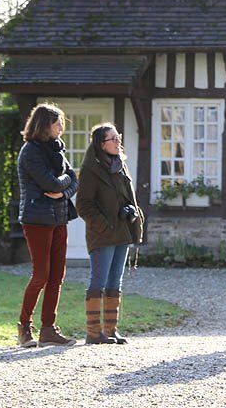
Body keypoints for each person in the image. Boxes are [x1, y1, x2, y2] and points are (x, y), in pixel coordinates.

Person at [17, 103, 79, 348]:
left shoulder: (57, 148)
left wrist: (63, 193)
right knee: (41, 275)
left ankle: (48, 329)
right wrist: (64, 183)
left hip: (58, 217)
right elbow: (52, 183)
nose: (62, 126)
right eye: (58, 122)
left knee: (57, 276)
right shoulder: (30, 151)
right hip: (37, 220)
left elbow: (73, 181)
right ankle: (24, 327)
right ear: (44, 124)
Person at [76, 123, 144, 345]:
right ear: (101, 144)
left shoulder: (120, 165)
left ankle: (110, 330)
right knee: (99, 280)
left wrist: (132, 213)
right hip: (102, 234)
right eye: (113, 139)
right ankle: (93, 333)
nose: (118, 142)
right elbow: (83, 205)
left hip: (122, 231)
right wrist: (105, 226)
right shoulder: (90, 170)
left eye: (118, 137)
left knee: (115, 280)